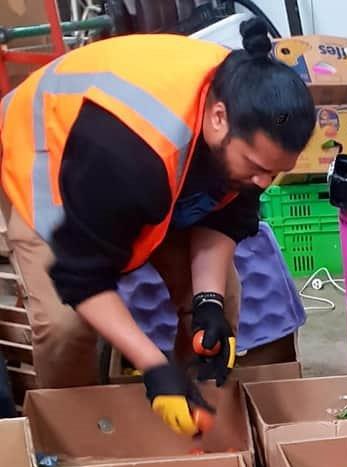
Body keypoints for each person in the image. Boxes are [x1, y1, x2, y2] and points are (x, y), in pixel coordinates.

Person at [0, 19, 315, 434]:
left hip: (154, 175)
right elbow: (82, 279)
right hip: (47, 159)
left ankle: (194, 423)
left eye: (274, 172)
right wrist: (153, 366)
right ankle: (75, 444)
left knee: (225, 301)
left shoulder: (248, 118)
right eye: (257, 169)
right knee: (65, 326)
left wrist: (208, 302)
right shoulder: (129, 152)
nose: (263, 183)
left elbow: (224, 214)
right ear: (218, 119)